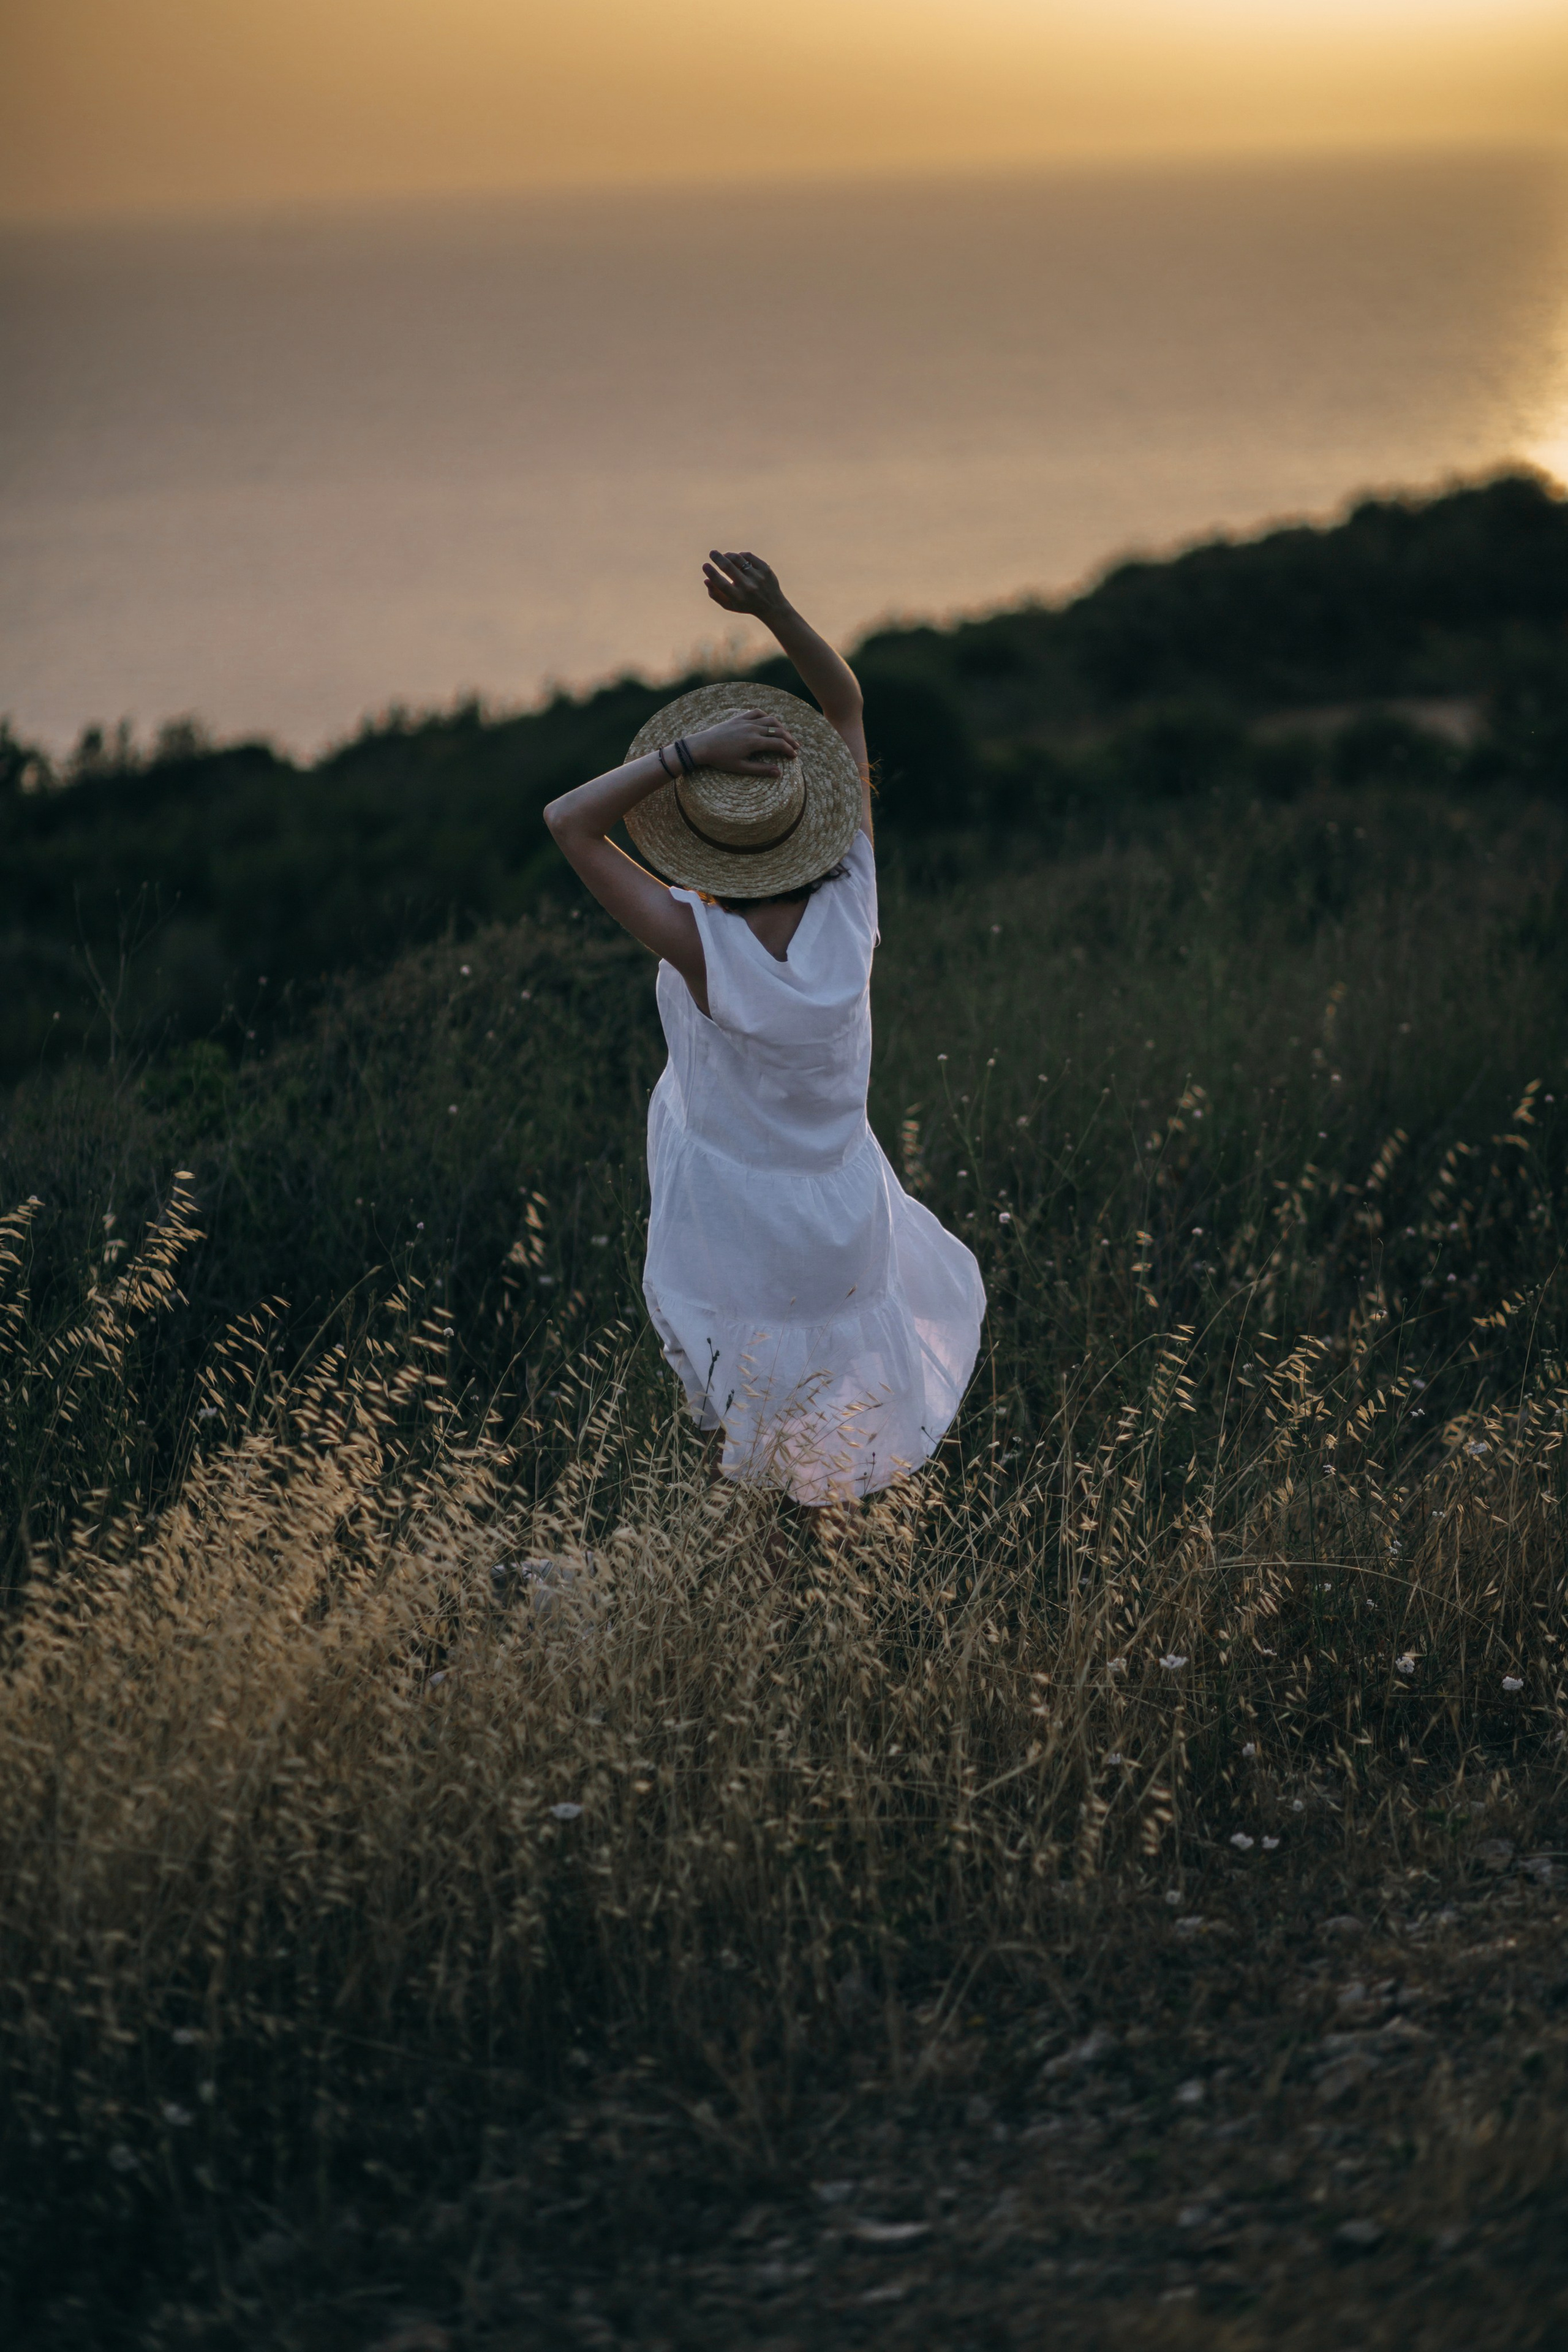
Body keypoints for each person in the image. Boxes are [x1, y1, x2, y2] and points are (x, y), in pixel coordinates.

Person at [544, 551, 984, 1518]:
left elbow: (569, 822)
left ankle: (737, 1611)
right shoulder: (852, 905)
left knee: (740, 1433)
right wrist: (777, 609)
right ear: (811, 830)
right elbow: (847, 706)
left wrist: (685, 758)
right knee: (827, 1436)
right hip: (838, 1214)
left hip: (736, 1221)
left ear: (705, 849)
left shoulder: (704, 948)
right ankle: (807, 1604)